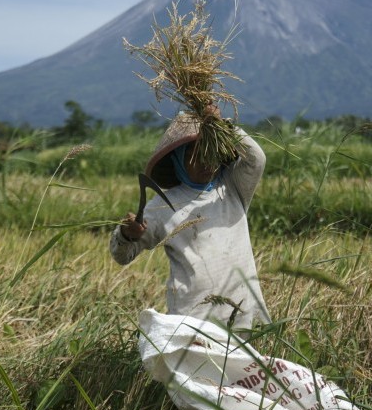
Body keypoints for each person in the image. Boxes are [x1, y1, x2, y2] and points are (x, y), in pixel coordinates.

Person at [110, 107, 271, 330]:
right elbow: (122, 255)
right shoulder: (161, 206)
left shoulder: (232, 187)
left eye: (209, 151)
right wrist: (127, 234)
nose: (205, 161)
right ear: (176, 158)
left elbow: (257, 159)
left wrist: (223, 126)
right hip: (193, 320)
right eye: (192, 154)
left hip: (244, 314)